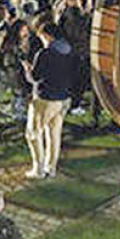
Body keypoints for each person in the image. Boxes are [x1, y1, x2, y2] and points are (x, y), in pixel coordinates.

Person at [26, 19, 75, 179]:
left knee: (33, 133)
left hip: (45, 98)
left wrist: (28, 70)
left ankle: (38, 170)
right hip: (63, 98)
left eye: (42, 36)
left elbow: (35, 77)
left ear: (48, 36)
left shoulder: (45, 53)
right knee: (54, 135)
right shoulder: (69, 51)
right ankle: (51, 168)